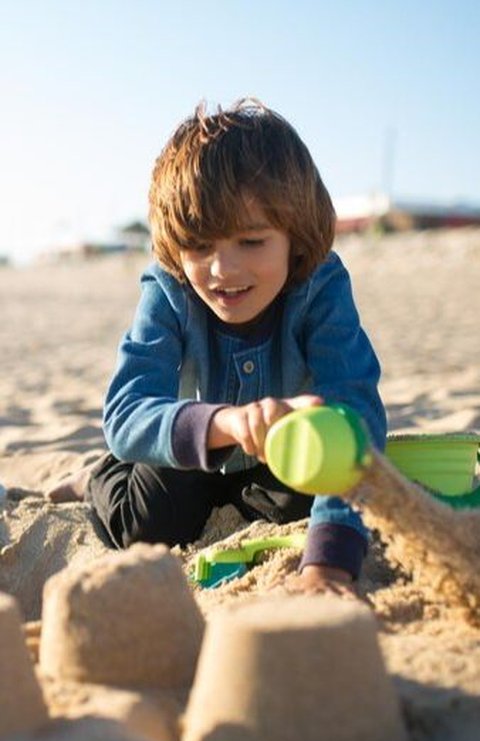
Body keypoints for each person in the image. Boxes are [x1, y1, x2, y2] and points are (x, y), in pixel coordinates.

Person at [51, 98, 386, 596]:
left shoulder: (321, 286)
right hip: (183, 456)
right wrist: (224, 422)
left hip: (271, 456)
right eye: (200, 246)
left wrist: (330, 562)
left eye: (251, 242)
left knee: (303, 503)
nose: (223, 271)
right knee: (151, 525)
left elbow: (355, 409)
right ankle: (96, 479)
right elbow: (125, 415)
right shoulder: (168, 289)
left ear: (295, 237)